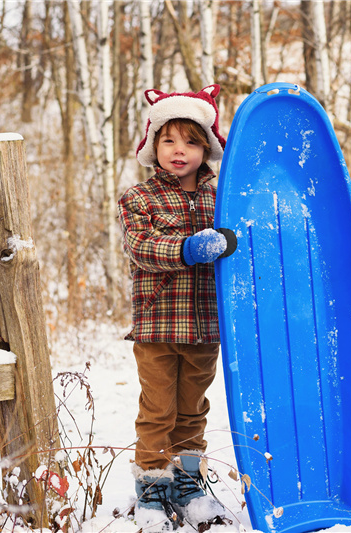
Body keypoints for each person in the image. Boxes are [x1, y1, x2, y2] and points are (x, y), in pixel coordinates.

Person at [117, 84, 236, 529]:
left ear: (206, 147)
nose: (179, 150)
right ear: (154, 145)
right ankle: (151, 487)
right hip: (158, 327)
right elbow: (140, 246)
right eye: (169, 140)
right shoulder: (139, 198)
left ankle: (188, 485)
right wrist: (187, 248)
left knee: (192, 409)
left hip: (206, 325)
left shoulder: (223, 196)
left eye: (190, 141)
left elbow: (242, 246)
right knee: (158, 410)